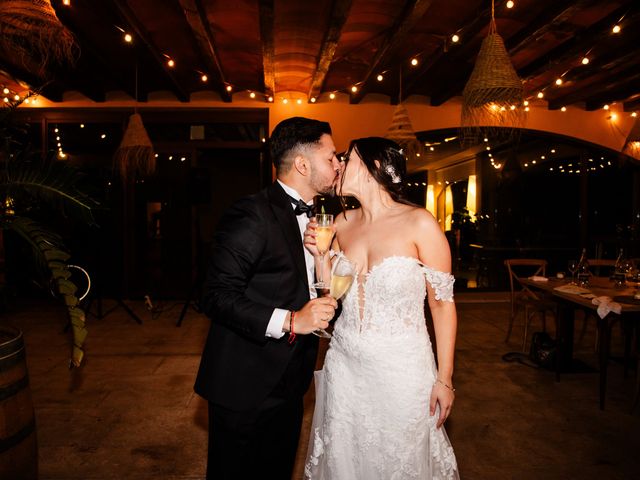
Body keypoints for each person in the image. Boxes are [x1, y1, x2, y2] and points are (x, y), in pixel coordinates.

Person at [194, 117, 342, 479]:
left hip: (292, 380)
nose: (338, 165)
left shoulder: (322, 217)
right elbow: (214, 295)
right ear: (303, 164)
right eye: (332, 157)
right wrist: (291, 320)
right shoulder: (253, 213)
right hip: (246, 380)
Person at [303, 137, 459, 479]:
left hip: (401, 370)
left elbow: (442, 304)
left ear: (375, 167)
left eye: (347, 158)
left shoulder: (420, 223)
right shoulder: (341, 223)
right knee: (344, 457)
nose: (339, 165)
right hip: (344, 364)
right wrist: (319, 256)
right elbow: (331, 288)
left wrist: (444, 379)